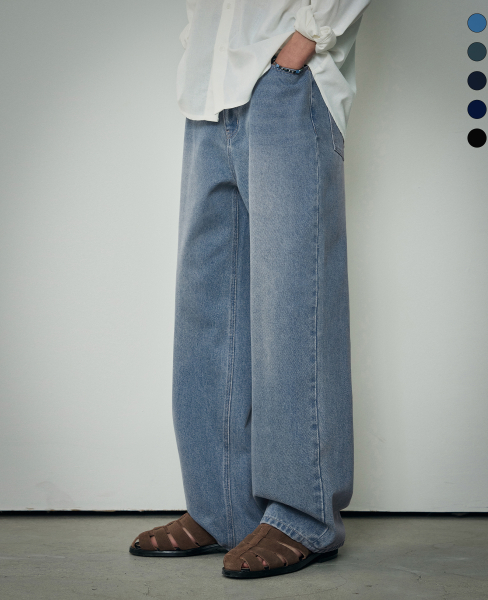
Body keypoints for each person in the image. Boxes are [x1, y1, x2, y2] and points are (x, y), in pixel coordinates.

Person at [130, 0, 371, 579]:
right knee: (206, 305)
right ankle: (220, 510)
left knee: (292, 301)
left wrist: (301, 44)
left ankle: (303, 515)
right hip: (208, 92)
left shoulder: (292, 65)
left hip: (288, 80)